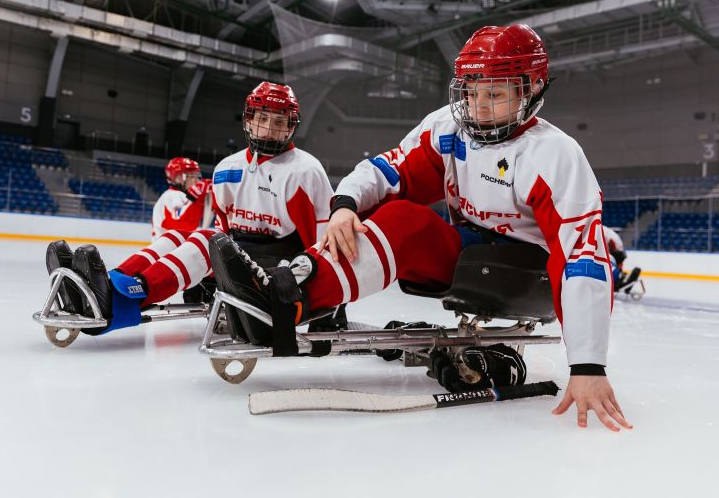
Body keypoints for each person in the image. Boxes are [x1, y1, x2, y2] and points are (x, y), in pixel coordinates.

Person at [210, 24, 632, 432]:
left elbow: (582, 257)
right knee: (399, 218)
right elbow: (388, 168)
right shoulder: (448, 129)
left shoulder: (555, 154)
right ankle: (284, 297)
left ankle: (282, 299)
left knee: (408, 223)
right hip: (472, 255)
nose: (479, 106)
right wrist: (345, 204)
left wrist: (588, 365)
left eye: (495, 94)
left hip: (529, 273)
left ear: (532, 89)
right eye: (472, 92)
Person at [46, 81, 335, 335]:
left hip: (278, 268)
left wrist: (329, 305)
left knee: (207, 240)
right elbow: (225, 229)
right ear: (249, 119)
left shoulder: (305, 171)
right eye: (263, 118)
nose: (270, 129)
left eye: (279, 121)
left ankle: (120, 298)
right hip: (242, 257)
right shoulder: (227, 168)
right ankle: (104, 283)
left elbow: (324, 243)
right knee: (176, 236)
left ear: (291, 125)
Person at [151, 157, 213, 238]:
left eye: (197, 176)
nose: (196, 180)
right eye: (191, 176)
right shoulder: (172, 195)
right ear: (178, 179)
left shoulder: (181, 195)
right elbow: (182, 226)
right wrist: (194, 198)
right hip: (166, 245)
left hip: (170, 244)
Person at [602, 225, 641, 292]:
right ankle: (619, 278)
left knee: (610, 264)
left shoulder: (600, 231)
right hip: (616, 247)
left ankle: (618, 280)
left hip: (615, 248)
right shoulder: (603, 229)